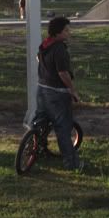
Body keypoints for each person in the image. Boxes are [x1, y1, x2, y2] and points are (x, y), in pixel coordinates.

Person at [32, 16, 82, 170]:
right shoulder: (59, 48)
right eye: (66, 30)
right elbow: (63, 73)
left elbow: (38, 57)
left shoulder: (45, 44)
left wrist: (47, 68)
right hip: (57, 93)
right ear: (57, 32)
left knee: (39, 122)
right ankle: (72, 164)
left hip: (42, 88)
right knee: (63, 128)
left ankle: (35, 151)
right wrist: (72, 90)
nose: (69, 33)